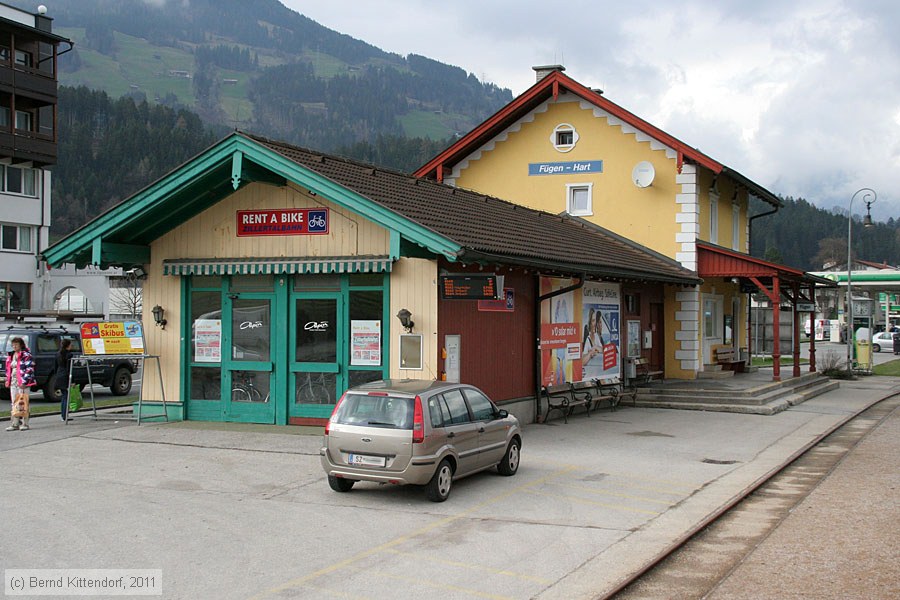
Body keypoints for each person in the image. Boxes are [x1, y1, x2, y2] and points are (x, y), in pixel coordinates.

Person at [5, 336, 35, 431]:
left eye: (16, 345)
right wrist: (7, 380)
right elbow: (8, 368)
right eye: (13, 345)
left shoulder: (26, 355)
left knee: (24, 402)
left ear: (21, 345)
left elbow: (29, 369)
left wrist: (25, 381)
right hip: (13, 381)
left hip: (22, 381)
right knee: (14, 402)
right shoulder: (11, 355)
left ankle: (25, 423)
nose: (14, 347)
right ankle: (15, 423)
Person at [55, 338, 73, 421]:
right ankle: (65, 415)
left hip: (59, 374)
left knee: (63, 396)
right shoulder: (69, 355)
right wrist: (72, 380)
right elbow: (69, 367)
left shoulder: (58, 354)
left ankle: (63, 415)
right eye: (70, 345)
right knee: (66, 396)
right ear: (67, 346)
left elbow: (55, 366)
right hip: (65, 375)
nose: (72, 346)